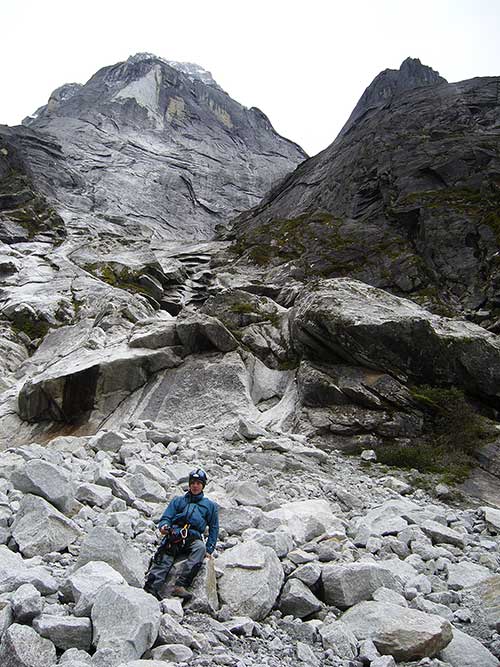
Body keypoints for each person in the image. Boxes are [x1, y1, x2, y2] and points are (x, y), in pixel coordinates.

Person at [144, 468, 219, 601]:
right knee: (164, 557)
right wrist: (163, 527)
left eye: (198, 483)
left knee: (200, 549)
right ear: (189, 484)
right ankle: (151, 589)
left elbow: (214, 528)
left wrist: (209, 548)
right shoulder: (178, 501)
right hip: (175, 534)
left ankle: (181, 585)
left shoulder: (210, 506)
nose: (195, 486)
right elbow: (166, 517)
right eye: (193, 483)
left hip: (193, 536)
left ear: (203, 486)